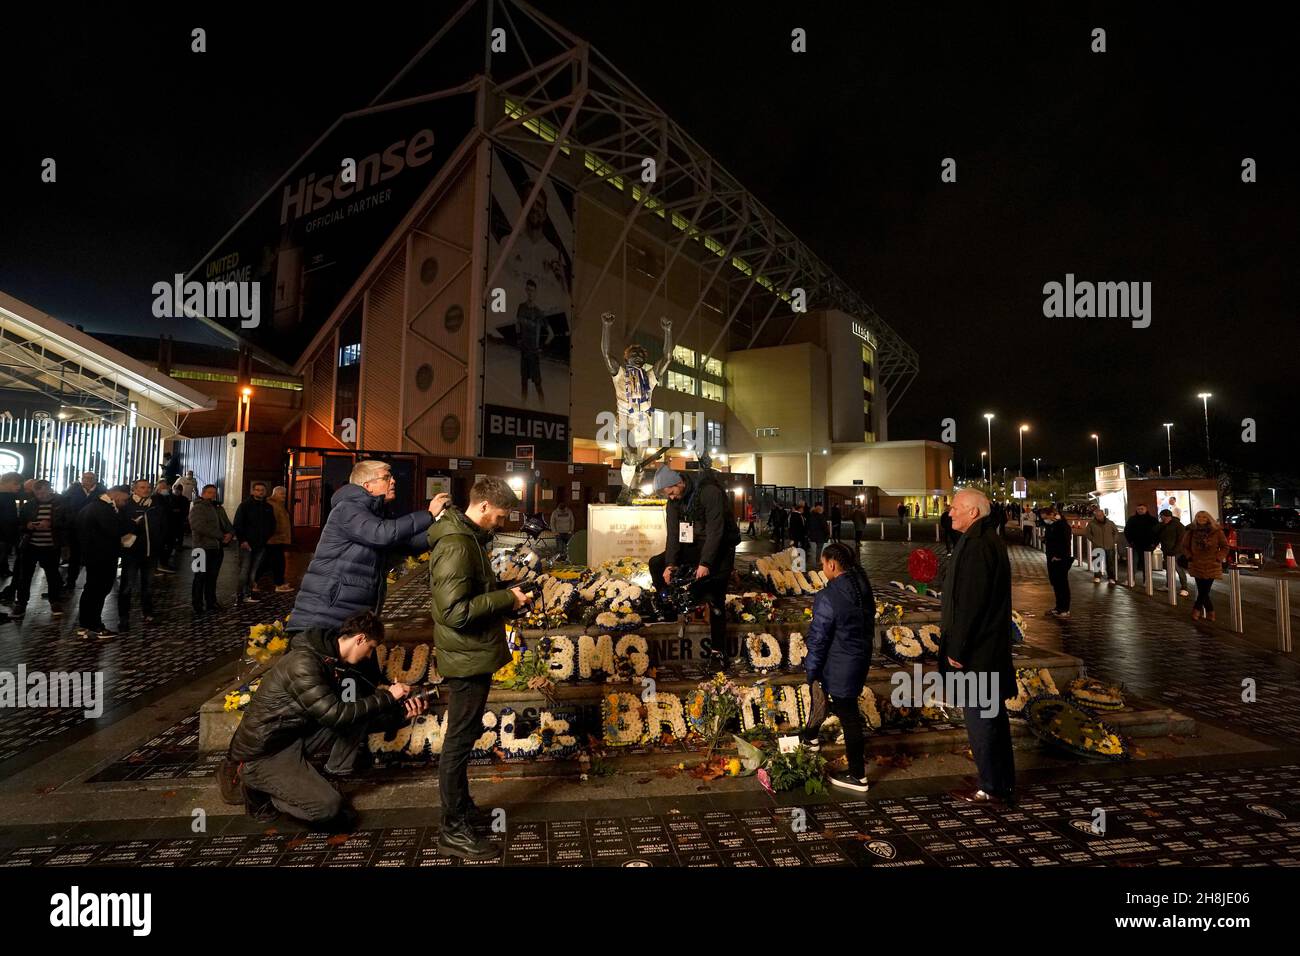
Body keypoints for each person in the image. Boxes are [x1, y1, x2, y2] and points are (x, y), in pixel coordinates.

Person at [225, 611, 425, 831]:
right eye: (370, 648)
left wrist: (400, 714)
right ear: (360, 639)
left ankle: (331, 777)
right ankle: (259, 790)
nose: (369, 656)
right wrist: (388, 696)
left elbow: (355, 715)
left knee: (354, 715)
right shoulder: (303, 664)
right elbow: (335, 715)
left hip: (292, 737)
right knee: (328, 808)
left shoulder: (332, 662)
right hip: (266, 752)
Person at [428, 478, 535, 859]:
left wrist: (506, 594)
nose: (500, 523)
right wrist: (506, 597)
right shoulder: (457, 544)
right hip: (466, 656)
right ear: (485, 506)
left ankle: (461, 808)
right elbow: (454, 612)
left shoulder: (467, 537)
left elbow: (469, 594)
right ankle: (452, 829)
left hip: (473, 653)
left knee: (466, 733)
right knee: (458, 742)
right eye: (500, 516)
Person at [291, 460, 446, 634]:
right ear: (367, 486)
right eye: (386, 477)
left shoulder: (372, 513)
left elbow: (406, 546)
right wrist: (428, 514)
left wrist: (443, 528)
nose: (393, 481)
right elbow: (382, 534)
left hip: (349, 618)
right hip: (323, 620)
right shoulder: (348, 509)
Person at [940, 489, 1016, 805]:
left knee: (982, 721)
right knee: (991, 719)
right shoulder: (981, 540)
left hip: (978, 654)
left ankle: (992, 787)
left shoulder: (977, 546)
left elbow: (970, 603)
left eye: (955, 507)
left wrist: (957, 649)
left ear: (973, 512)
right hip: (986, 650)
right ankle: (999, 781)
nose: (949, 512)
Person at [800, 541, 875, 791]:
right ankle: (810, 737)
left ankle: (857, 775)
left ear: (832, 565)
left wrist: (811, 670)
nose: (822, 568)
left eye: (822, 564)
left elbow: (819, 638)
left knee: (848, 716)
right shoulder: (862, 586)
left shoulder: (829, 595)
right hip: (857, 659)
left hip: (840, 663)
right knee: (833, 702)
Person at [648, 465, 742, 661]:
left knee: (716, 596)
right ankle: (670, 607)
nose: (671, 497)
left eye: (672, 492)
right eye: (668, 495)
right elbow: (673, 534)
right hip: (692, 544)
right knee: (656, 564)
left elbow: (716, 531)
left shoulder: (709, 492)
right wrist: (670, 564)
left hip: (720, 547)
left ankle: (718, 650)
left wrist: (705, 563)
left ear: (680, 483)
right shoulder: (673, 502)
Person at [76, 485, 132, 639]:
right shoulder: (103, 509)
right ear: (117, 495)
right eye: (125, 499)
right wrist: (132, 524)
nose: (125, 503)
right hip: (102, 557)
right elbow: (114, 530)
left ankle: (85, 624)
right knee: (99, 590)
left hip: (92, 555)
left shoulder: (90, 507)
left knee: (91, 590)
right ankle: (95, 625)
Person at [13, 480, 70, 617]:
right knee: (25, 576)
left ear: (50, 490)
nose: (41, 495)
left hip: (51, 546)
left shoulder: (61, 504)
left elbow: (69, 522)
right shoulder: (29, 505)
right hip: (31, 546)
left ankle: (54, 601)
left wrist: (51, 524)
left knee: (52, 575)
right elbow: (20, 523)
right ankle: (21, 603)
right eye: (38, 492)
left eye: (44, 491)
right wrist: (29, 526)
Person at [117, 478, 166, 627]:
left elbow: (163, 525)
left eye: (148, 487)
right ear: (135, 489)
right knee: (127, 586)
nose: (146, 490)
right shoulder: (126, 506)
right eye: (142, 487)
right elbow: (121, 527)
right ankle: (124, 617)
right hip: (132, 554)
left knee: (148, 586)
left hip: (151, 553)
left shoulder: (155, 505)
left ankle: (148, 613)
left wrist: (160, 544)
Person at [189, 484, 234, 614]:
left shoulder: (218, 508)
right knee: (200, 576)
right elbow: (199, 526)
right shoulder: (197, 508)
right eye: (209, 492)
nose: (212, 495)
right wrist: (221, 536)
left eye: (214, 492)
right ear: (203, 493)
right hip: (200, 548)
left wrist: (230, 534)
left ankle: (211, 601)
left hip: (216, 548)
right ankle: (197, 603)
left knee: (212, 577)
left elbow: (226, 524)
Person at [233, 482, 277, 604]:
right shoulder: (245, 506)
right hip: (246, 544)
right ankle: (239, 595)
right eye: (257, 490)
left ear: (265, 492)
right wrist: (242, 540)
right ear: (253, 491)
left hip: (261, 544)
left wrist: (265, 538)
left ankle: (248, 593)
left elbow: (272, 525)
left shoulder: (268, 507)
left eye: (262, 490)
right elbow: (238, 524)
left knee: (253, 571)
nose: (260, 492)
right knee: (244, 571)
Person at [1180, 511, 1229, 622]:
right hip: (1197, 563)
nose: (1201, 519)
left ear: (1208, 518)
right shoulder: (1191, 530)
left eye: (1204, 517)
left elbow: (1225, 546)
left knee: (1205, 590)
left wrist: (1219, 557)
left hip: (1212, 563)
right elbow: (1184, 546)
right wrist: (1189, 557)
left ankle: (1196, 610)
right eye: (1199, 517)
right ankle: (1211, 612)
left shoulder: (1217, 531)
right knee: (1202, 590)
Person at [61, 471, 106, 586]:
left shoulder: (102, 492)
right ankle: (71, 581)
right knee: (74, 557)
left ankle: (91, 582)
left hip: (93, 529)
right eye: (86, 478)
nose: (88, 480)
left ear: (96, 479)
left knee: (92, 557)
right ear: (82, 479)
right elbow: (65, 506)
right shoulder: (73, 491)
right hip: (75, 528)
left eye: (91, 478)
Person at [515, 278, 553, 402]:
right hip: (524, 352)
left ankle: (544, 409)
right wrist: (518, 339)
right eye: (528, 290)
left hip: (533, 353)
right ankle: (522, 407)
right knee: (523, 383)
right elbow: (517, 325)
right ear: (526, 290)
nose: (530, 293)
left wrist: (542, 347)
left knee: (537, 385)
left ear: (535, 292)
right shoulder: (521, 307)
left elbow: (551, 334)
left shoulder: (539, 312)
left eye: (532, 290)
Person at [1042, 505, 1074, 618]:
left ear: (1052, 515)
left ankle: (1064, 608)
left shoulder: (1062, 525)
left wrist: (1059, 555)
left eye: (1045, 517)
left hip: (1060, 559)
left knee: (1062, 584)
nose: (1044, 520)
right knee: (1056, 583)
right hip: (1052, 558)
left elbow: (1065, 542)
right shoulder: (1052, 525)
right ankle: (1059, 607)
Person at [265, 485, 294, 593]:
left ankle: (280, 582)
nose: (284, 496)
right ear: (275, 493)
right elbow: (272, 522)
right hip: (274, 539)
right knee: (276, 562)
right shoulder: (272, 505)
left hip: (278, 538)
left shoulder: (278, 505)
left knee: (278, 562)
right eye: (282, 494)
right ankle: (278, 584)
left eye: (285, 494)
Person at [1123, 503, 1160, 585]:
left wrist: (1154, 544)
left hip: (1148, 546)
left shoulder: (1152, 520)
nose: (1140, 510)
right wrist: (1131, 541)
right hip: (1135, 545)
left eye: (1142, 509)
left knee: (1146, 564)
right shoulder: (1132, 519)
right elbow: (1127, 531)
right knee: (1133, 563)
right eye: (1138, 509)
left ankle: (1146, 580)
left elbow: (1158, 533)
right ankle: (1131, 579)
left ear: (1146, 509)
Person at [1156, 509, 1190, 596]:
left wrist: (1175, 550)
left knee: (1178, 568)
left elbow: (1181, 539)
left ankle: (1184, 588)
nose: (1162, 518)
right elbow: (1158, 535)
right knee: (1168, 568)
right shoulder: (1162, 525)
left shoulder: (1178, 525)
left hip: (1176, 551)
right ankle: (1168, 585)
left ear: (1167, 516)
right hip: (1167, 550)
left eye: (1162, 517)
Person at [1083, 506, 1119, 585]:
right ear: (1095, 516)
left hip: (1109, 546)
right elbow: (1087, 533)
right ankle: (1097, 576)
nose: (1099, 517)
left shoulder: (1110, 523)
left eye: (1100, 515)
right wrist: (1093, 540)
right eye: (1097, 516)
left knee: (1110, 563)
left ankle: (1111, 578)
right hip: (1097, 546)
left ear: (1103, 515)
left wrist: (1113, 541)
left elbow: (1116, 532)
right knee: (1097, 562)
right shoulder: (1091, 524)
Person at [0, 472, 22, 599]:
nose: (19, 487)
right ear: (6, 482)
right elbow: (8, 520)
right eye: (16, 483)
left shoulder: (8, 496)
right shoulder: (6, 498)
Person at [151, 480, 179, 574]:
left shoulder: (167, 497)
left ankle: (163, 564)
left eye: (166, 487)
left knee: (168, 546)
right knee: (162, 547)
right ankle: (159, 565)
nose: (165, 489)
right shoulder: (155, 498)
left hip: (168, 526)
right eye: (163, 488)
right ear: (158, 489)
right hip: (162, 527)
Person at [806, 503, 829, 569]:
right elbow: (824, 526)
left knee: (815, 549)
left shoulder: (811, 516)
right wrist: (827, 533)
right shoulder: (821, 516)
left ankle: (817, 561)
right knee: (819, 548)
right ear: (820, 510)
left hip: (813, 535)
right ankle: (818, 561)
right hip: (820, 535)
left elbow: (808, 525)